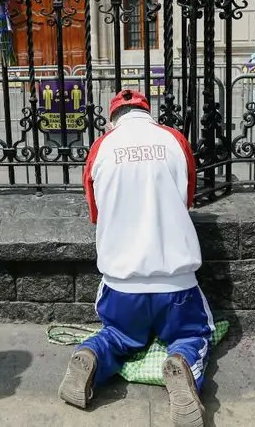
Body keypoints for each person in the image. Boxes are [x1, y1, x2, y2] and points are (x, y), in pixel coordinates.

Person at [59, 89, 212, 427]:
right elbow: (187, 198)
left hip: (121, 285)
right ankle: (183, 361)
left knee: (116, 335)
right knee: (194, 334)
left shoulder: (102, 147)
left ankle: (92, 354)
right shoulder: (173, 139)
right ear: (148, 112)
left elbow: (95, 211)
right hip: (176, 285)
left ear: (112, 120)